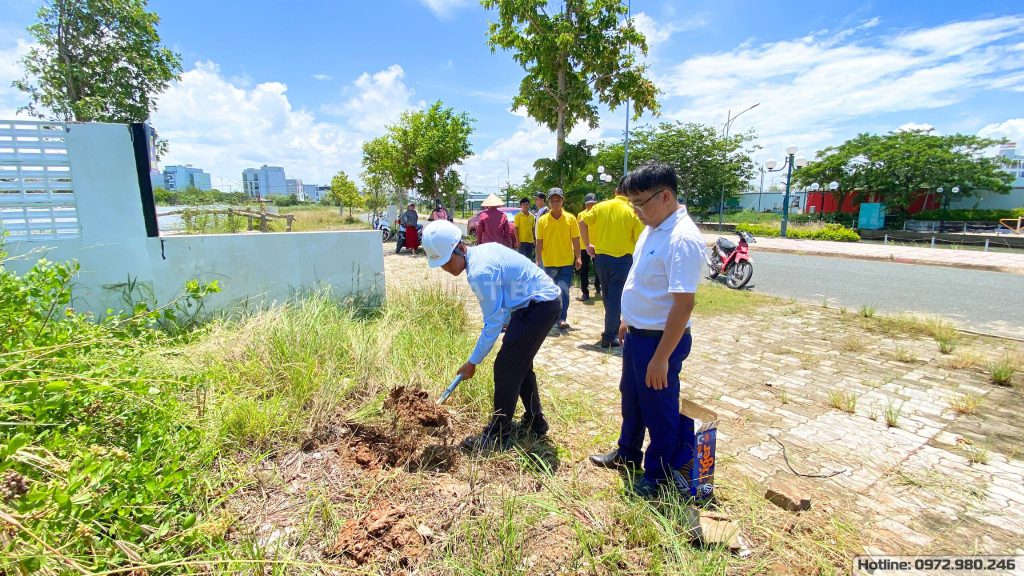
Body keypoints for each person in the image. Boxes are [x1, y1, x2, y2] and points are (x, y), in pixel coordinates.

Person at [588, 162, 705, 498]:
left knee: (659, 409)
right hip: (639, 334)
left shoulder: (682, 238)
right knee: (633, 398)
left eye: (640, 203)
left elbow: (683, 305)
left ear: (665, 196)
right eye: (632, 204)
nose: (636, 211)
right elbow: (643, 281)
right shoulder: (654, 227)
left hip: (660, 342)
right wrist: (627, 318)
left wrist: (661, 358)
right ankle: (627, 453)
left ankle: (658, 475)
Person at [421, 220, 562, 450]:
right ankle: (536, 422)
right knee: (519, 364)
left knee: (506, 366)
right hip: (532, 305)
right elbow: (503, 304)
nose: (446, 268)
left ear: (460, 247)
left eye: (446, 261)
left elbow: (493, 322)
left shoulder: (480, 271)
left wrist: (472, 362)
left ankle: (499, 433)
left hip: (540, 306)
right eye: (441, 265)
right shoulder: (481, 254)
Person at [578, 177, 645, 348]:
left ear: (615, 191)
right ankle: (609, 336)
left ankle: (612, 329)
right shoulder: (632, 210)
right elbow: (640, 238)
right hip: (622, 259)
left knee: (609, 296)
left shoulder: (601, 206)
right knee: (615, 298)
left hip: (601, 259)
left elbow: (582, 222)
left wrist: (587, 245)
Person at [535, 187, 581, 331]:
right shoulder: (542, 221)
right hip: (548, 262)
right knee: (550, 293)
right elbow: (539, 242)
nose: (555, 203)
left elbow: (576, 240)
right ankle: (550, 318)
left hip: (566, 262)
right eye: (552, 200)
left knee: (564, 291)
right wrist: (538, 260)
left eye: (558, 200)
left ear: (562, 201)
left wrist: (578, 257)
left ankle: (562, 318)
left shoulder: (570, 219)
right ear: (548, 202)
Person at [576, 193, 602, 302]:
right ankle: (585, 292)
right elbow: (578, 230)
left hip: (597, 245)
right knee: (584, 269)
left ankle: (597, 285)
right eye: (588, 204)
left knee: (599, 268)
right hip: (583, 245)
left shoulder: (600, 214)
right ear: (585, 204)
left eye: (593, 204)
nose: (590, 206)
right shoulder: (581, 215)